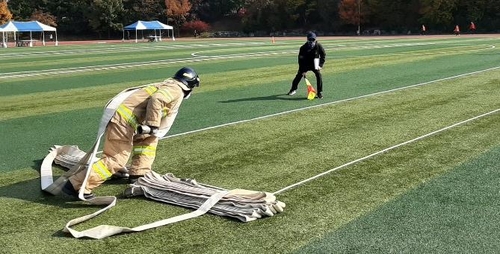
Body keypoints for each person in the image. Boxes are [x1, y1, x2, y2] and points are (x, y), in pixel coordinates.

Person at [62, 67, 201, 199]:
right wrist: (152, 124)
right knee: (116, 159)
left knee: (147, 141)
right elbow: (157, 99)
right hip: (124, 121)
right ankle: (76, 185)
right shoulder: (176, 89)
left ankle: (139, 173)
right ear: (190, 85)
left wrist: (151, 129)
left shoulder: (169, 85)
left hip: (130, 120)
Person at [288, 32, 326, 99]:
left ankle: (319, 92)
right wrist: (302, 69)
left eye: (313, 40)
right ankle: (293, 89)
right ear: (307, 39)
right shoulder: (303, 48)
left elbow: (323, 55)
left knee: (319, 76)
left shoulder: (318, 46)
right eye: (310, 39)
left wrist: (320, 65)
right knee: (298, 76)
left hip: (315, 64)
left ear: (315, 39)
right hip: (305, 64)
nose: (311, 41)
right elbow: (300, 59)